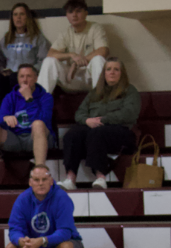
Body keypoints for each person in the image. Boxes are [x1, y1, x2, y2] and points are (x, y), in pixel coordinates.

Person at [59, 58, 138, 191]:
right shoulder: (95, 92)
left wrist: (103, 120)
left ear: (122, 73)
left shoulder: (130, 91)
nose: (112, 72)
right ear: (104, 73)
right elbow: (79, 114)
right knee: (72, 134)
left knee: (97, 132)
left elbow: (129, 114)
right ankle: (70, 178)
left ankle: (101, 178)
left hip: (121, 132)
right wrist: (87, 121)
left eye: (116, 69)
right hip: (95, 130)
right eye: (108, 69)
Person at [0, 63, 54, 192]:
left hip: (37, 138)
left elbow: (43, 120)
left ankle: (40, 176)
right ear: (17, 79)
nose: (25, 80)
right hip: (15, 138)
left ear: (36, 78)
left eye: (29, 76)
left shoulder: (46, 97)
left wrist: (29, 98)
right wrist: (4, 118)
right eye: (21, 76)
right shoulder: (11, 97)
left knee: (38, 125)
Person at [4, 164, 82, 248]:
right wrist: (21, 240)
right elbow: (14, 229)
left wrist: (43, 240)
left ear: (51, 181)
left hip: (61, 245)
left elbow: (65, 232)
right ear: (30, 182)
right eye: (36, 180)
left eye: (44, 180)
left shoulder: (62, 197)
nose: (40, 183)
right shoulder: (22, 199)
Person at [39, 0, 109, 98]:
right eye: (70, 12)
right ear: (67, 15)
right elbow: (51, 54)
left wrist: (76, 64)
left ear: (86, 13)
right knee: (49, 61)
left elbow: (103, 51)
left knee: (98, 60)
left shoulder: (95, 28)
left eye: (78, 11)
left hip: (89, 77)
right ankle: (40, 105)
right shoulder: (65, 33)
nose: (74, 15)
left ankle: (100, 103)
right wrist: (71, 55)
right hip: (71, 78)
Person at [0, 3, 50, 107]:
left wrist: (30, 71)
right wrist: (1, 70)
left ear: (28, 17)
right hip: (9, 74)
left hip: (26, 75)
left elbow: (43, 61)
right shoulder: (6, 38)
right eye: (15, 14)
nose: (18, 17)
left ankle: (17, 111)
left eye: (22, 14)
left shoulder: (37, 38)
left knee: (15, 77)